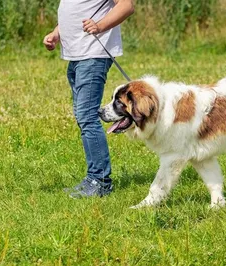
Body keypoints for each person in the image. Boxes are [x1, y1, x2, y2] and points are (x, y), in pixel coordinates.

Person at [43, 0, 134, 198]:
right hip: (77, 57)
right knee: (83, 116)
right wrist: (56, 34)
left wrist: (100, 26)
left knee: (87, 117)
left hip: (93, 55)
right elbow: (75, 14)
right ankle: (94, 178)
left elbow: (126, 5)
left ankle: (100, 181)